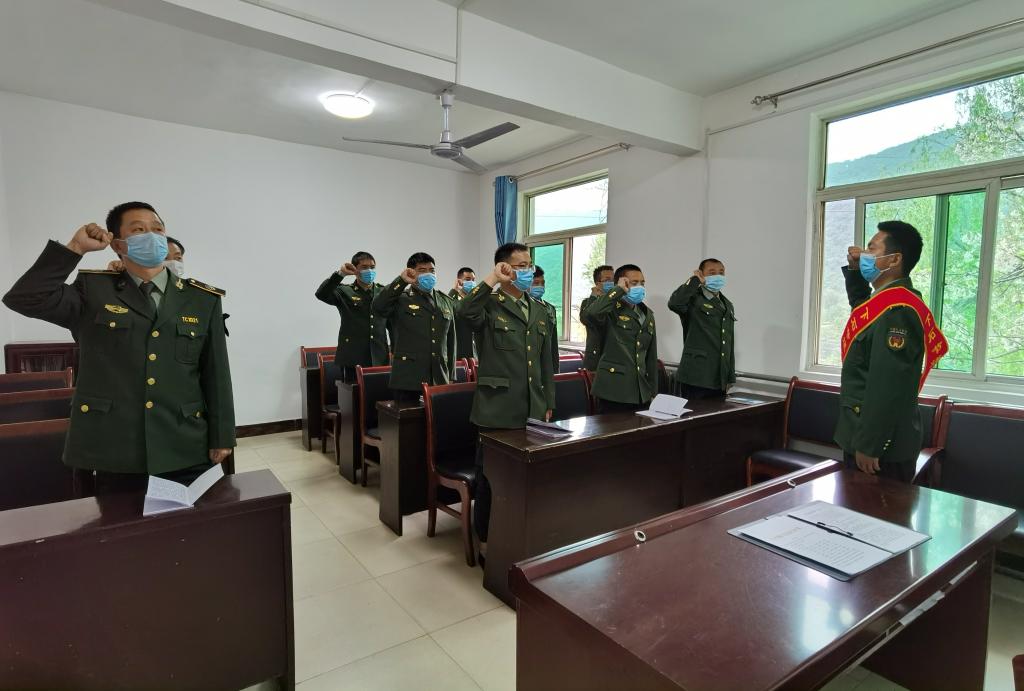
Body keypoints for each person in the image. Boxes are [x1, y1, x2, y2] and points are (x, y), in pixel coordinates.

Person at [2, 202, 235, 491]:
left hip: (184, 441)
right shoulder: (93, 290)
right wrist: (75, 248)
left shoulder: (201, 299)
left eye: (158, 229)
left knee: (196, 520)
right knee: (119, 520)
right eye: (138, 229)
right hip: (114, 448)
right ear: (118, 244)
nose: (152, 235)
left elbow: (216, 373)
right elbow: (25, 298)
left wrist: (222, 435)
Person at [458, 242, 555, 551]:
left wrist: (548, 402)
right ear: (505, 268)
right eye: (520, 265)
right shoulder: (489, 303)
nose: (527, 270)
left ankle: (520, 534)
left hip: (533, 408)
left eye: (529, 264)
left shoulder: (539, 309)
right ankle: (486, 541)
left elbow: (546, 362)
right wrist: (492, 280)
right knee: (491, 479)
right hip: (497, 408)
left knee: (527, 476)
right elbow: (464, 312)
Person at [836, 221, 946, 482]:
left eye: (872, 248)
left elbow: (888, 383)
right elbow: (861, 309)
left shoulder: (899, 311)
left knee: (872, 509)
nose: (864, 254)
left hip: (879, 448)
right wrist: (855, 272)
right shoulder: (885, 301)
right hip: (862, 434)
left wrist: (870, 444)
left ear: (894, 259)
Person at [372, 252, 456, 402]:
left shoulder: (445, 301)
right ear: (411, 273)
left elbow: (450, 342)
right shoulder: (400, 299)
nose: (429, 274)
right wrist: (401, 281)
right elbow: (378, 307)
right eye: (422, 270)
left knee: (438, 417)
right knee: (409, 417)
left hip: (439, 377)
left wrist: (450, 375)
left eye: (432, 270)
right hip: (408, 379)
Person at [581, 263, 658, 413]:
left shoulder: (647, 314)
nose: (640, 287)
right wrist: (618, 290)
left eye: (642, 283)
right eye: (634, 283)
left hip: (641, 392)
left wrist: (653, 391)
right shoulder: (610, 309)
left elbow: (650, 356)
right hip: (613, 391)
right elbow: (590, 315)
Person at [315, 251, 390, 382]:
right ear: (355, 269)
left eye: (372, 267)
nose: (369, 271)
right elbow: (321, 294)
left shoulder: (383, 292)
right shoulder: (345, 291)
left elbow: (391, 323)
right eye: (364, 267)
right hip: (352, 357)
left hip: (379, 356)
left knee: (380, 393)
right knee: (353, 393)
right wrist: (341, 274)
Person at [668, 258, 735, 399]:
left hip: (719, 377)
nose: (718, 276)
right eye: (712, 273)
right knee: (695, 413)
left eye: (721, 272)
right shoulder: (693, 299)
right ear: (701, 274)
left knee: (718, 413)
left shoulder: (727, 304)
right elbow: (674, 303)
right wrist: (694, 281)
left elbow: (729, 343)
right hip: (696, 376)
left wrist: (730, 375)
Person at [580, 265, 614, 370]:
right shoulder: (588, 302)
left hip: (614, 359)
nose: (612, 283)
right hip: (595, 359)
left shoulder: (618, 303)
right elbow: (586, 318)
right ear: (598, 283)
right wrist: (594, 296)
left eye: (613, 280)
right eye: (607, 280)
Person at [528, 265, 560, 371]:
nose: (540, 286)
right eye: (536, 283)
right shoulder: (522, 306)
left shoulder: (550, 308)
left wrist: (555, 370)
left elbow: (553, 343)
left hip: (546, 363)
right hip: (529, 363)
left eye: (543, 283)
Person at [107, 236, 185, 276]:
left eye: (178, 258)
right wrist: (113, 276)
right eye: (164, 257)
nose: (173, 262)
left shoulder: (189, 293)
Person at [448, 266, 478, 361]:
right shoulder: (453, 299)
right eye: (468, 279)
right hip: (459, 351)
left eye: (473, 280)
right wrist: (454, 290)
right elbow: (449, 308)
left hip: (476, 352)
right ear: (460, 281)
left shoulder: (476, 300)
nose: (472, 282)